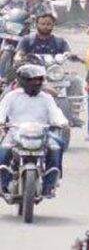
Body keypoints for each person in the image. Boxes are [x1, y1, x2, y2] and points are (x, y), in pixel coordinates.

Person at [0, 64, 68, 196]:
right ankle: (3, 183)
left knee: (56, 147)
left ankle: (50, 184)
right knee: (3, 150)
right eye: (32, 80)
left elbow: (56, 113)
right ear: (23, 81)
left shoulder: (46, 98)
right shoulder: (11, 96)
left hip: (42, 133)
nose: (36, 83)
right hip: (15, 133)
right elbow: (1, 112)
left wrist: (62, 122)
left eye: (39, 80)